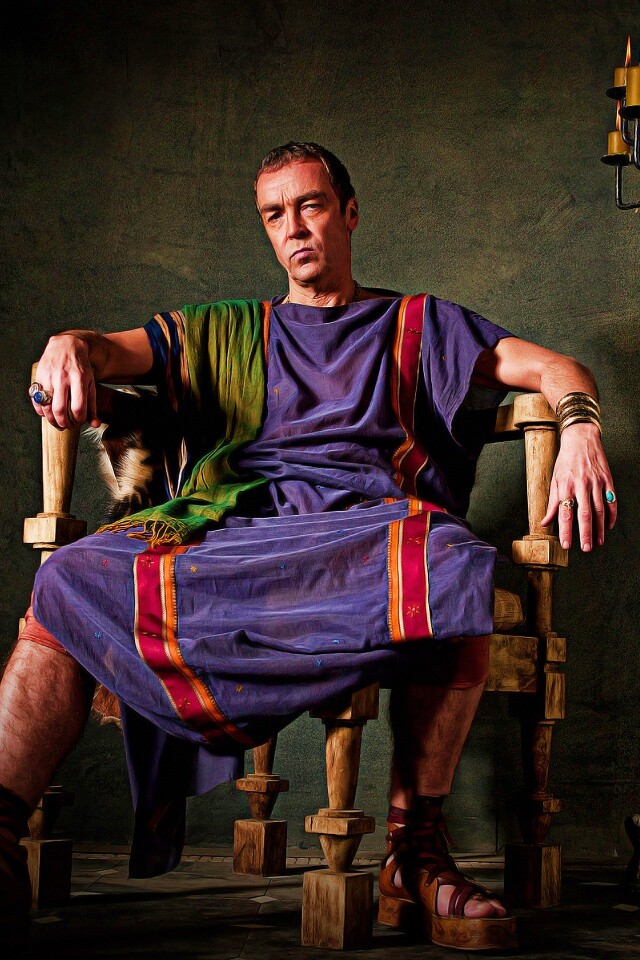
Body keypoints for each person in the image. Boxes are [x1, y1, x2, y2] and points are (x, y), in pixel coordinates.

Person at [0, 142, 616, 950]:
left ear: (349, 213)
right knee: (70, 574)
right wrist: (68, 343)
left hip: (362, 535)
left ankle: (414, 855)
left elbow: (555, 367)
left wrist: (579, 428)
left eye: (311, 206)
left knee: (454, 565)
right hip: (235, 534)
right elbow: (105, 351)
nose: (293, 228)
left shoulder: (418, 325)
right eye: (274, 214)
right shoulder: (228, 330)